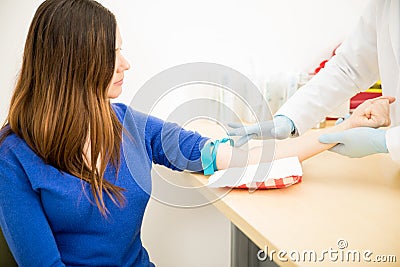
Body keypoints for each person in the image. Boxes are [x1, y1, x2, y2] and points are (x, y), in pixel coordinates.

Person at [0, 0, 393, 266]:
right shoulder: (14, 159)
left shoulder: (126, 124)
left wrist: (341, 130)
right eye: (112, 53)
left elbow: (231, 157)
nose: (127, 63)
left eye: (123, 49)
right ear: (73, 64)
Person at [228, 0, 400, 162]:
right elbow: (348, 68)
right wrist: (289, 118)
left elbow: (231, 161)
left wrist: (387, 142)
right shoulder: (386, 5)